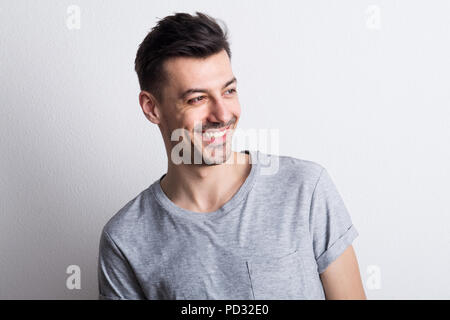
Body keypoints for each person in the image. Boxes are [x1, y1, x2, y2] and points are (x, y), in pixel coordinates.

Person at [97, 11, 366, 300]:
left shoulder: (306, 189)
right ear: (152, 108)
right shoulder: (125, 239)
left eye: (229, 91)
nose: (223, 114)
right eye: (197, 98)